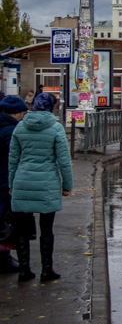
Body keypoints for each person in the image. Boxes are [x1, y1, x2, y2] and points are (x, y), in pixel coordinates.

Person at [8, 92, 73, 283]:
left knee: (21, 230)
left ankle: (24, 270)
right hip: (47, 183)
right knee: (46, 229)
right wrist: (67, 184)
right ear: (51, 108)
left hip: (22, 181)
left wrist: (11, 184)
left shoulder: (20, 127)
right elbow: (64, 160)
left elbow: (13, 159)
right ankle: (46, 270)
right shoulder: (55, 128)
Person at [0, 95, 28, 273]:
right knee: (5, 221)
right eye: (23, 112)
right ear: (16, 113)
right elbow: (15, 157)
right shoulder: (11, 131)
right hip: (4, 180)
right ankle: (3, 259)